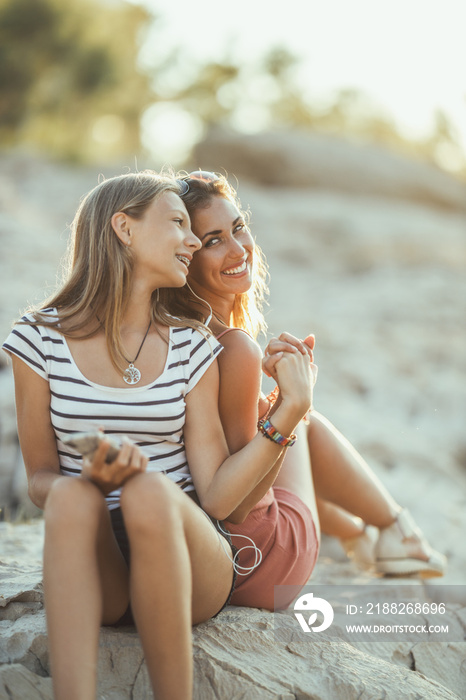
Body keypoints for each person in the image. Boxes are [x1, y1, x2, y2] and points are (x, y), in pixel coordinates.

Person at [2, 171, 316, 700]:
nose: (192, 241)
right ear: (124, 229)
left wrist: (293, 409)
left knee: (150, 490)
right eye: (178, 224)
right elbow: (39, 477)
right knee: (74, 497)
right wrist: (88, 482)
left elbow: (217, 495)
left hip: (189, 554)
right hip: (99, 554)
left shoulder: (194, 346)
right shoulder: (37, 338)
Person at [167, 170, 446, 610]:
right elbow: (245, 497)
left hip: (213, 555)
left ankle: (362, 532)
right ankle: (398, 532)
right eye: (213, 240)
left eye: (239, 228)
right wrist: (289, 403)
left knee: (284, 425)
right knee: (302, 425)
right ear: (184, 254)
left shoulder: (169, 332)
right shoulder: (232, 348)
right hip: (262, 562)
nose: (239, 249)